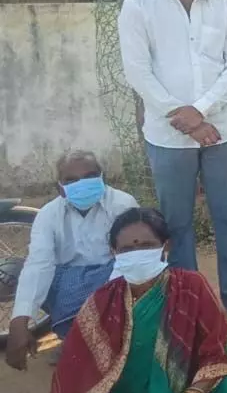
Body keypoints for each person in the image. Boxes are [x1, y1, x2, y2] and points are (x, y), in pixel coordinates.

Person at [118, 0, 227, 309]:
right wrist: (186, 119)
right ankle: (187, 306)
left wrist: (203, 112)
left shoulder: (223, 7)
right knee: (176, 224)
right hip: (168, 134)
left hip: (224, 130)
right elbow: (137, 72)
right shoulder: (138, 7)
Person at [51, 207, 227, 393]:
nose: (137, 254)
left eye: (146, 246)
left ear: (165, 245)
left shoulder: (191, 286)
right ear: (113, 252)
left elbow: (217, 349)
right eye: (127, 249)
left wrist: (195, 391)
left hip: (186, 387)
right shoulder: (103, 299)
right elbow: (76, 365)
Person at [5, 151, 137, 371]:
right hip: (67, 282)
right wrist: (20, 320)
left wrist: (102, 299)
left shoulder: (122, 204)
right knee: (21, 274)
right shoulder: (48, 215)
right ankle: (76, 338)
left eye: (90, 176)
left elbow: (130, 258)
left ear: (102, 178)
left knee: (129, 277)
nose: (82, 184)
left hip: (114, 276)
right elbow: (39, 264)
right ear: (60, 189)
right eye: (72, 180)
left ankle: (99, 341)